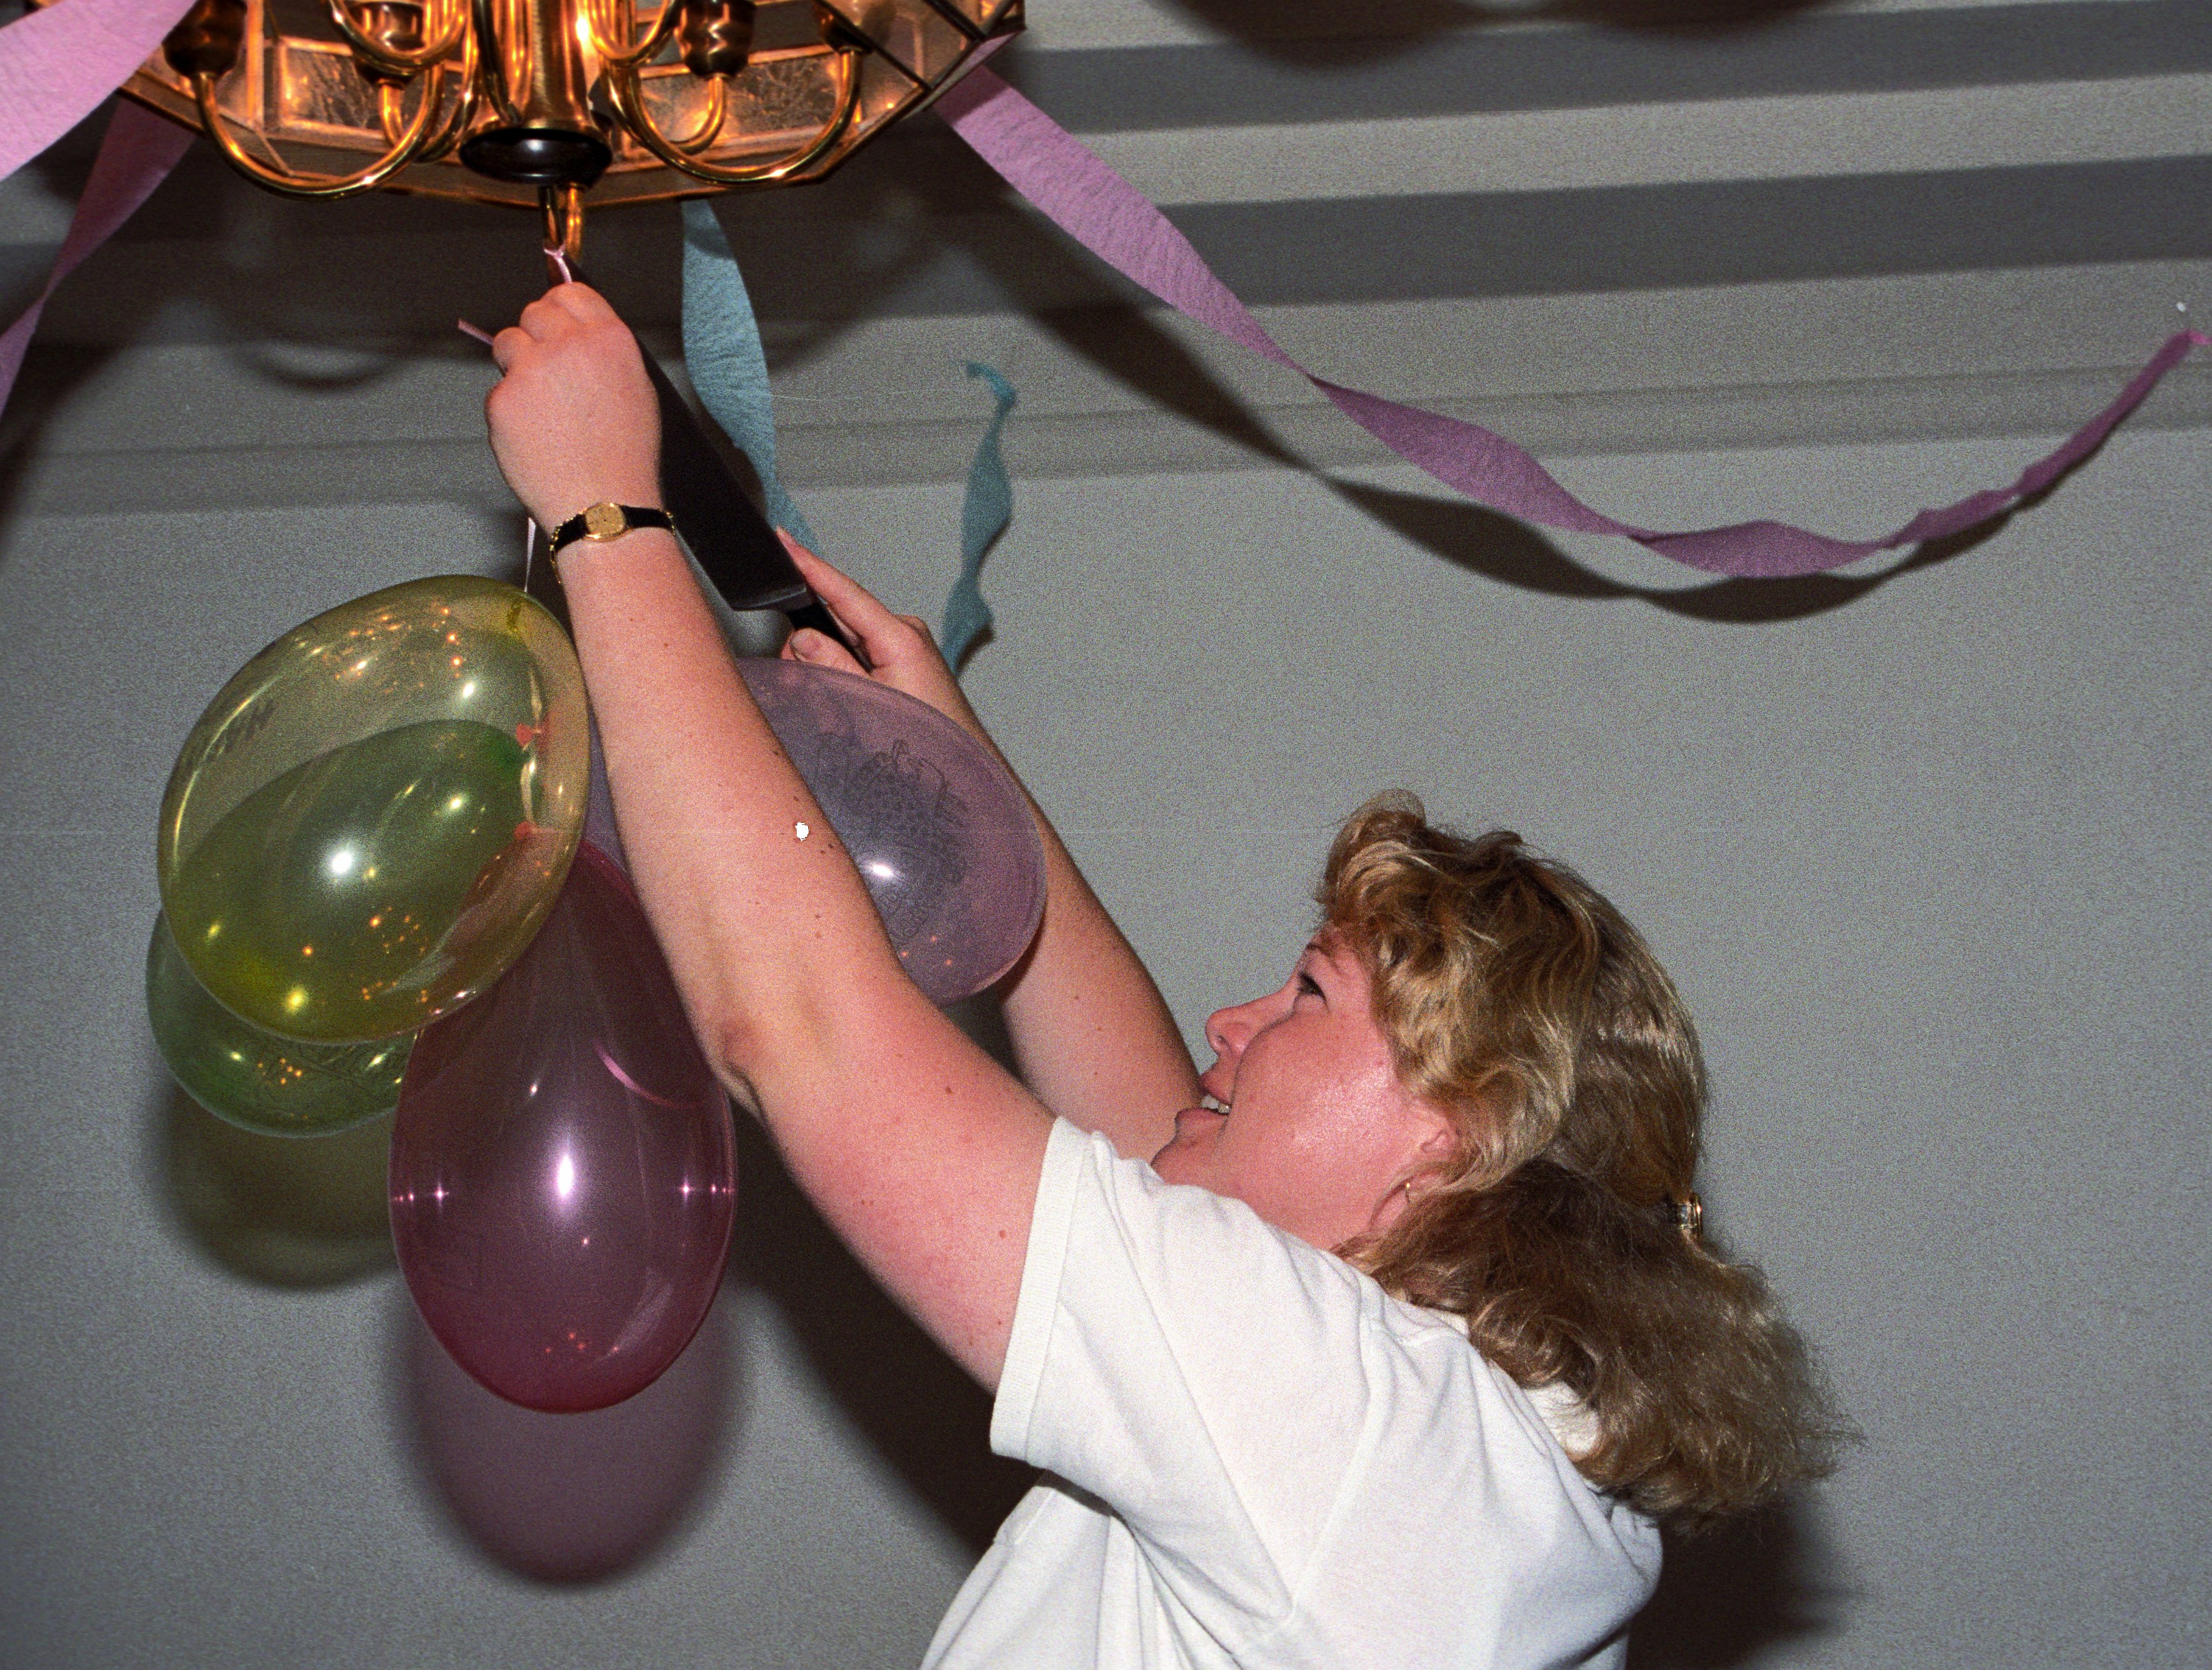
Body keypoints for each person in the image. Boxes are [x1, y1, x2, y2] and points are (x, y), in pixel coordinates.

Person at [484, 281, 1840, 1668]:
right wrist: (966, 785)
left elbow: (804, 1031)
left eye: (1308, 994)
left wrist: (606, 516)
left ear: (1461, 1126)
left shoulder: (1356, 1439)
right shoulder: (1468, 1467)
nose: (1231, 1022)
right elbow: (1145, 1142)